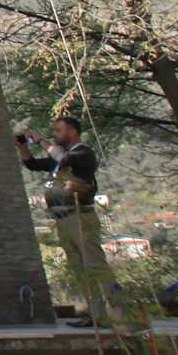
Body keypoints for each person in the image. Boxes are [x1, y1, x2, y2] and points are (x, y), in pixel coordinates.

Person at [17, 116, 119, 326]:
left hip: (80, 216)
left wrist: (41, 140)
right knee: (79, 269)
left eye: (58, 130)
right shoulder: (60, 157)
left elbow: (63, 158)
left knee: (95, 265)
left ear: (72, 131)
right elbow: (33, 165)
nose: (55, 134)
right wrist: (22, 146)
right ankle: (96, 315)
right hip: (63, 219)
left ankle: (120, 313)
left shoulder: (82, 153)